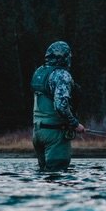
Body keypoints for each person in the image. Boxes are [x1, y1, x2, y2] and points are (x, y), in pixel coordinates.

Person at [31, 41, 87, 172]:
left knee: (44, 176)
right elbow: (61, 106)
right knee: (58, 175)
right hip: (55, 134)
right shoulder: (62, 75)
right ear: (64, 58)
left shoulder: (39, 72)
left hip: (37, 133)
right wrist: (75, 124)